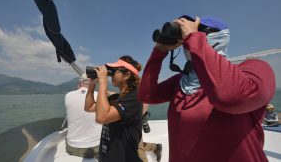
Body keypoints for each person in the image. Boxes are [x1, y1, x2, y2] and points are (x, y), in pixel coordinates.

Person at [138, 15, 276, 162]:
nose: (187, 39)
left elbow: (229, 98)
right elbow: (147, 95)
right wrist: (159, 51)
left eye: (199, 31)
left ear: (221, 36)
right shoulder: (182, 82)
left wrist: (194, 37)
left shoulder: (254, 69)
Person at [84, 55, 143, 162]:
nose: (110, 75)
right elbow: (89, 107)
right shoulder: (117, 98)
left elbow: (102, 117)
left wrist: (103, 82)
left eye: (114, 71)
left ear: (127, 75)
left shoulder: (134, 99)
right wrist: (92, 84)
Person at [64, 77, 102, 159]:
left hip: (72, 147)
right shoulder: (99, 96)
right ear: (93, 84)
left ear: (80, 83)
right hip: (95, 147)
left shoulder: (68, 95)